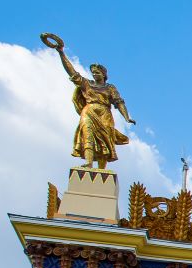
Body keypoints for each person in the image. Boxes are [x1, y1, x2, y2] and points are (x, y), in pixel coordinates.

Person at [41, 33, 135, 169]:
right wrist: (61, 53)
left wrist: (127, 117)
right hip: (89, 111)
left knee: (105, 139)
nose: (95, 74)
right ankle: (89, 163)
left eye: (97, 72)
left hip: (104, 113)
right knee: (88, 133)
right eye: (93, 72)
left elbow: (119, 102)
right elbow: (72, 72)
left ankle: (102, 170)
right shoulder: (87, 84)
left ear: (104, 74)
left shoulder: (110, 88)